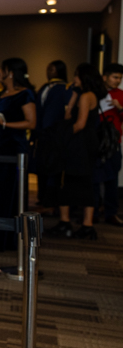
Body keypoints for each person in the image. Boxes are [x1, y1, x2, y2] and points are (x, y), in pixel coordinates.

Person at [0, 58, 36, 251]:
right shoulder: (1, 93)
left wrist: (3, 124)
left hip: (13, 150)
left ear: (10, 72)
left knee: (8, 192)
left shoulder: (25, 95)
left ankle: (6, 240)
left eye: (1, 69)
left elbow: (31, 122)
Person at [47, 63, 107, 240]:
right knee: (84, 182)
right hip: (87, 144)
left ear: (84, 78)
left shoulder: (86, 96)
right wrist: (74, 93)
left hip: (79, 144)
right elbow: (69, 115)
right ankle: (85, 225)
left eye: (76, 75)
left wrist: (61, 137)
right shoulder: (88, 95)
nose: (74, 79)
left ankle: (68, 223)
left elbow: (78, 124)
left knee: (67, 180)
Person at [32, 60, 71, 211]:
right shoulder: (45, 87)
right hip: (42, 134)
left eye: (52, 69)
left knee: (53, 168)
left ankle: (50, 200)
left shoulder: (64, 88)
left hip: (55, 134)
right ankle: (42, 197)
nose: (49, 71)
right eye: (48, 68)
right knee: (41, 165)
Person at [93, 63, 123, 226]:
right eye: (115, 77)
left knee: (112, 179)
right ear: (105, 77)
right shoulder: (96, 93)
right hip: (97, 141)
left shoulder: (120, 95)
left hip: (113, 142)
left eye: (120, 78)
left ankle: (111, 213)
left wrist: (120, 108)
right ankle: (94, 211)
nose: (118, 81)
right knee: (95, 178)